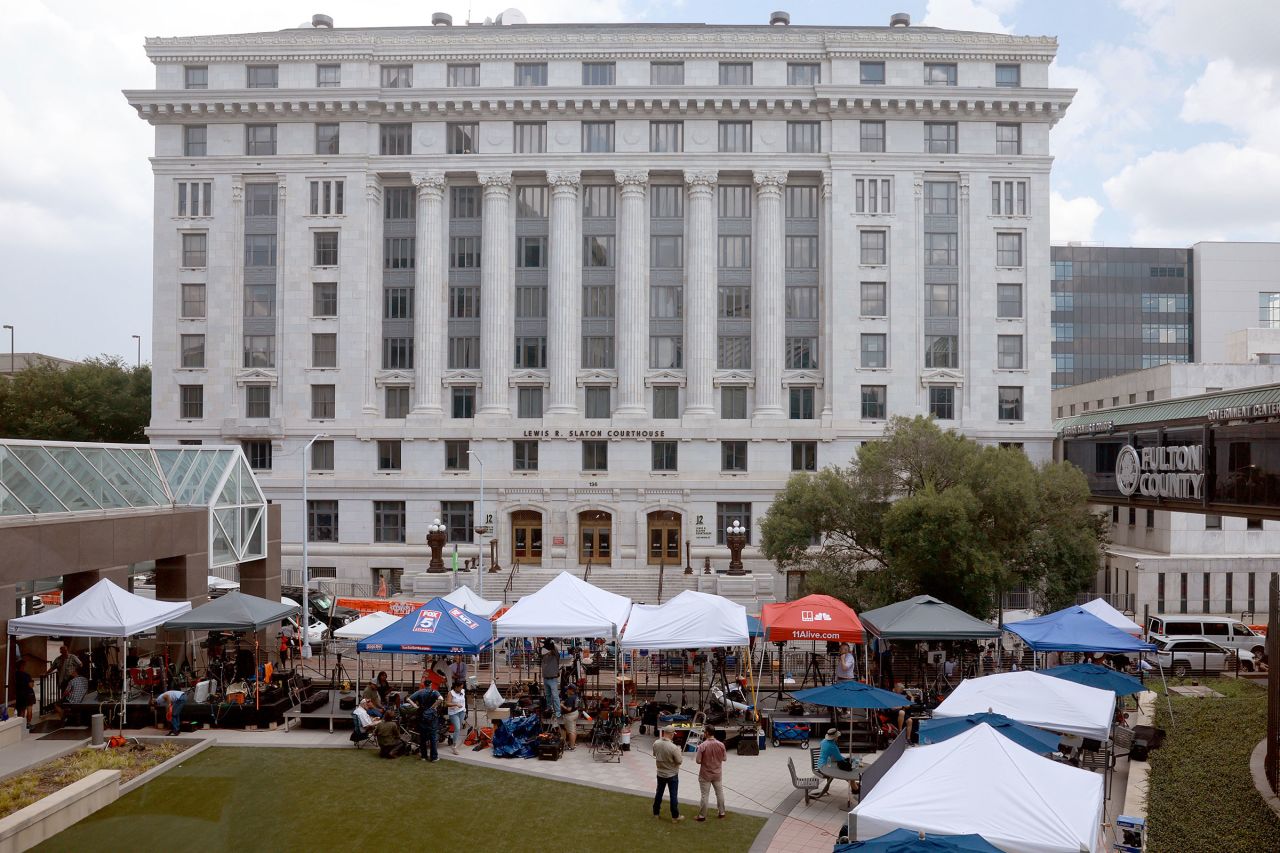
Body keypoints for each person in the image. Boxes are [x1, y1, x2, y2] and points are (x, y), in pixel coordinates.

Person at [694, 726, 727, 821]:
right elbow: (724, 758)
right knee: (719, 793)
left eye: (704, 732)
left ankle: (702, 816)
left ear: (707, 733)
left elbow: (698, 760)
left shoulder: (702, 746)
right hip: (717, 774)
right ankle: (722, 813)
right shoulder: (721, 745)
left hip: (705, 774)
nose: (704, 733)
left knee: (705, 795)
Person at [652, 726, 684, 823]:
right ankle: (675, 816)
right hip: (672, 774)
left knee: (659, 793)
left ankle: (656, 813)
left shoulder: (656, 743)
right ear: (671, 734)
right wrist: (679, 752)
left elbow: (654, 754)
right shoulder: (673, 747)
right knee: (673, 796)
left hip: (660, 773)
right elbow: (679, 761)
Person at [408, 679, 443, 762]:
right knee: (433, 737)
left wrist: (416, 707)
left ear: (424, 685)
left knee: (423, 737)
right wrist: (433, 706)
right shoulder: (434, 692)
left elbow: (408, 699)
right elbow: (441, 699)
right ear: (430, 684)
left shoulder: (419, 692)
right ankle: (434, 757)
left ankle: (424, 756)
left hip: (422, 715)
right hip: (431, 716)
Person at [540, 639, 561, 722]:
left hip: (553, 678)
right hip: (546, 678)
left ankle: (558, 712)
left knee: (555, 696)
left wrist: (552, 644)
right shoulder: (544, 656)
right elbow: (540, 653)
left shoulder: (555, 655)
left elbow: (555, 650)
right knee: (548, 695)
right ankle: (549, 709)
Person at [446, 679, 467, 755]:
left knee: (458, 729)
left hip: (462, 711)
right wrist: (456, 704)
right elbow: (447, 703)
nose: (461, 688)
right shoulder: (451, 693)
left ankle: (452, 737)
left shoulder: (463, 691)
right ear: (456, 687)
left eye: (462, 687)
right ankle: (454, 746)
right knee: (457, 728)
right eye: (460, 687)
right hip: (453, 713)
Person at [559, 683, 580, 750]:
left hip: (570, 715)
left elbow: (569, 709)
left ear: (571, 690)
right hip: (575, 713)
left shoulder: (571, 698)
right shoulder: (576, 696)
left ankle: (571, 746)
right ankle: (572, 744)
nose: (567, 690)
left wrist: (562, 705)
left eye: (568, 689)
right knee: (573, 730)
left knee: (571, 731)